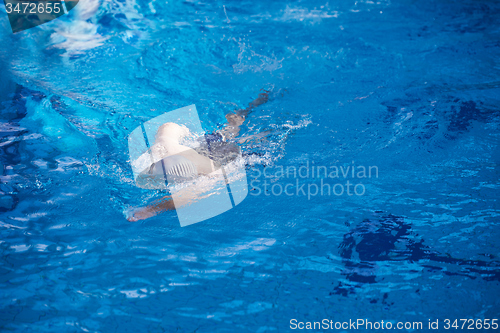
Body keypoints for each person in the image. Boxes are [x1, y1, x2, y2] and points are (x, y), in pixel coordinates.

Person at [127, 91, 270, 221]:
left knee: (245, 145)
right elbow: (168, 127)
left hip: (221, 161)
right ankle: (253, 108)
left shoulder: (208, 178)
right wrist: (184, 131)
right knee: (230, 130)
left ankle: (264, 128)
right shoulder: (163, 147)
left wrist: (151, 209)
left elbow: (181, 199)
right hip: (201, 148)